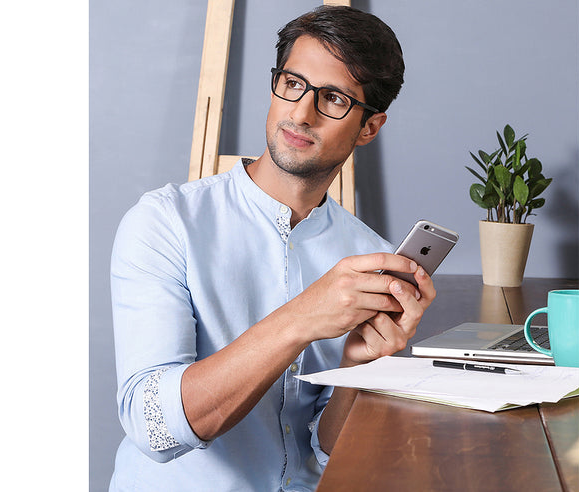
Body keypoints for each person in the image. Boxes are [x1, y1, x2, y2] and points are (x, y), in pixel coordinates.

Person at [109, 6, 430, 491]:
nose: (300, 113)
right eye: (292, 84)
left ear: (369, 127)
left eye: (333, 98)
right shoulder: (164, 223)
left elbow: (328, 451)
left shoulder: (372, 257)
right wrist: (303, 317)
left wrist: (358, 366)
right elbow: (153, 427)